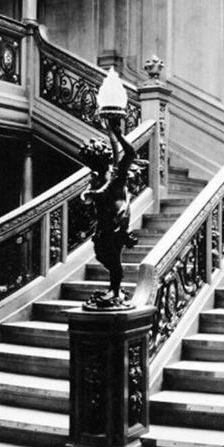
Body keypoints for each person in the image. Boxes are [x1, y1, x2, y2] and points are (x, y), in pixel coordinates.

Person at [79, 116, 139, 307]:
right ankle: (114, 289)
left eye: (93, 163)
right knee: (102, 255)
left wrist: (119, 136)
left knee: (113, 258)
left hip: (116, 223)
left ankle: (115, 290)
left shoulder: (117, 175)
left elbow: (130, 153)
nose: (92, 168)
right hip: (103, 224)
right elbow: (95, 194)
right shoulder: (97, 178)